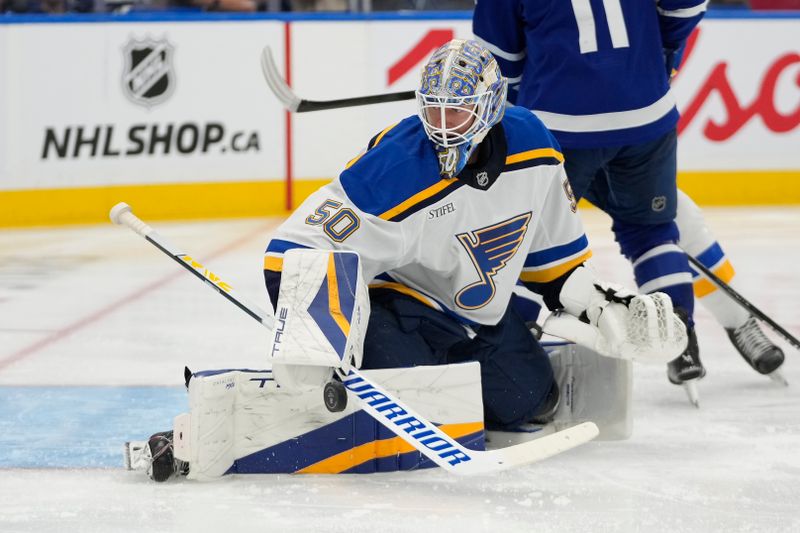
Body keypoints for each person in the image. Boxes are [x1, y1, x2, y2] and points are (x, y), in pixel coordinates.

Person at [262, 38, 686, 431]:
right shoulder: (396, 167)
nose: (443, 126)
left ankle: (470, 359)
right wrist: (316, 352)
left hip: (474, 317)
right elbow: (294, 249)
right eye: (434, 109)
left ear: (490, 108)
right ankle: (387, 375)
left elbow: (553, 264)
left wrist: (597, 305)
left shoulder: (534, 147)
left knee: (532, 402)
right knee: (422, 402)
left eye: (458, 110)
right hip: (394, 304)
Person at [472, 0, 784, 402]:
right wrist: (663, 54)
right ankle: (682, 332)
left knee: (533, 243)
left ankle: (738, 322)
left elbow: (499, 59)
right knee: (658, 229)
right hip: (643, 115)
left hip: (559, 126)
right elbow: (685, 8)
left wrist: (520, 100)